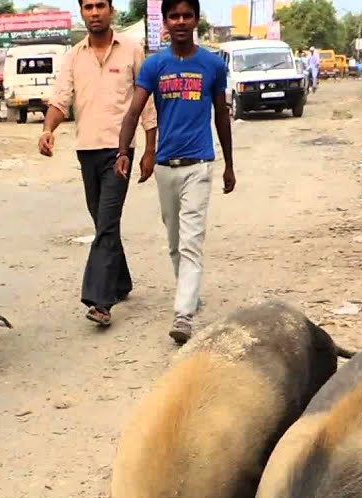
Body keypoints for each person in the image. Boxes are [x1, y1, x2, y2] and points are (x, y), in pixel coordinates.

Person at [115, 0, 234, 345]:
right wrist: (124, 152)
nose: (181, 21)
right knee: (174, 242)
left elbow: (222, 116)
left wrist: (229, 164)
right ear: (165, 22)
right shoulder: (155, 66)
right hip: (166, 168)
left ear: (196, 20)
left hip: (199, 165)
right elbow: (134, 111)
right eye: (174, 16)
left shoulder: (212, 64)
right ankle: (190, 294)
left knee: (192, 242)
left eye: (187, 15)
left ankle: (183, 314)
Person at [40, 0, 156, 329]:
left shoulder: (131, 50)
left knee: (105, 222)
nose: (94, 12)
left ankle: (100, 301)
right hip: (86, 150)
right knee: (103, 221)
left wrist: (149, 149)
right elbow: (60, 98)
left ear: (111, 10)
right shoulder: (74, 55)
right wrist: (48, 129)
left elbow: (145, 103)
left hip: (120, 151)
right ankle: (121, 282)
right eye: (88, 6)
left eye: (100, 5)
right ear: (82, 12)